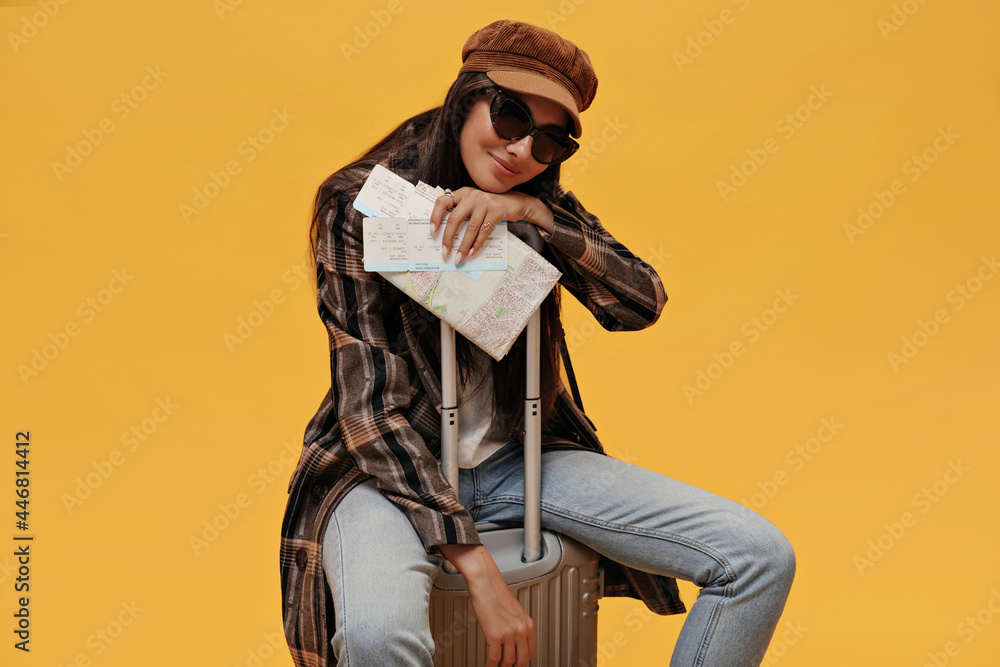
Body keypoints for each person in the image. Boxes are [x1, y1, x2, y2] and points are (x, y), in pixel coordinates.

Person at [280, 19, 795, 667]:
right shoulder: (361, 201)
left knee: (757, 557)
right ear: (466, 96)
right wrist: (478, 568)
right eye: (509, 113)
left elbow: (640, 303)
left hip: (512, 461)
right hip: (383, 470)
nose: (521, 148)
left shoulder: (533, 197)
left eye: (549, 139)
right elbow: (367, 409)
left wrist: (538, 217)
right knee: (380, 634)